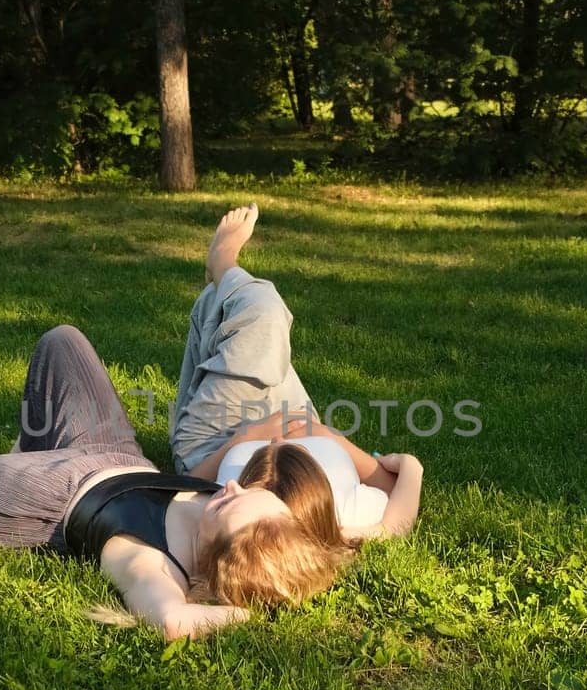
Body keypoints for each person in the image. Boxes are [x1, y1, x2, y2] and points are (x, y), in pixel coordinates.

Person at [0, 324, 351, 639]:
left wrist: (245, 614)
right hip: (116, 452)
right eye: (252, 493)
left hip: (49, 498)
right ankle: (33, 445)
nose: (233, 488)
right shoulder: (240, 513)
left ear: (215, 556)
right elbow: (357, 530)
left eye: (230, 506)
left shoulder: (151, 564)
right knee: (63, 342)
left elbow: (169, 621)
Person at [170, 203, 425, 541]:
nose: (274, 444)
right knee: (252, 338)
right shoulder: (339, 522)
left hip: (214, 445)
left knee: (262, 313)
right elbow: (394, 518)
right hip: (300, 420)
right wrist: (330, 437)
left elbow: (184, 491)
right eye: (292, 459)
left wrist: (245, 439)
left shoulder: (232, 513)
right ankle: (221, 290)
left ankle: (223, 262)